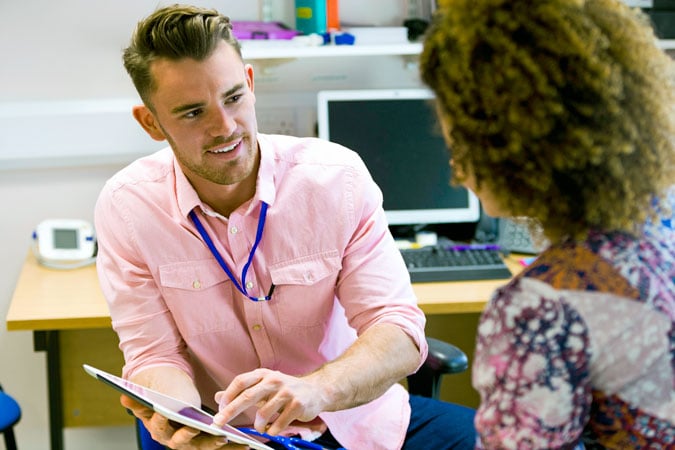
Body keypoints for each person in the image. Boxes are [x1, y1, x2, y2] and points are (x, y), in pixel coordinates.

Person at [94, 4, 476, 450]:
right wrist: (182, 418)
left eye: (234, 98)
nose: (226, 127)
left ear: (251, 85)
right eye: (193, 113)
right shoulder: (128, 207)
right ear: (151, 123)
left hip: (348, 422)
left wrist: (316, 391)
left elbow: (398, 329)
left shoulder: (337, 179)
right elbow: (155, 355)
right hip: (227, 435)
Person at [419, 0, 675, 448]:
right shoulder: (659, 228)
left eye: (460, 140)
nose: (456, 169)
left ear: (511, 145)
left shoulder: (541, 308)